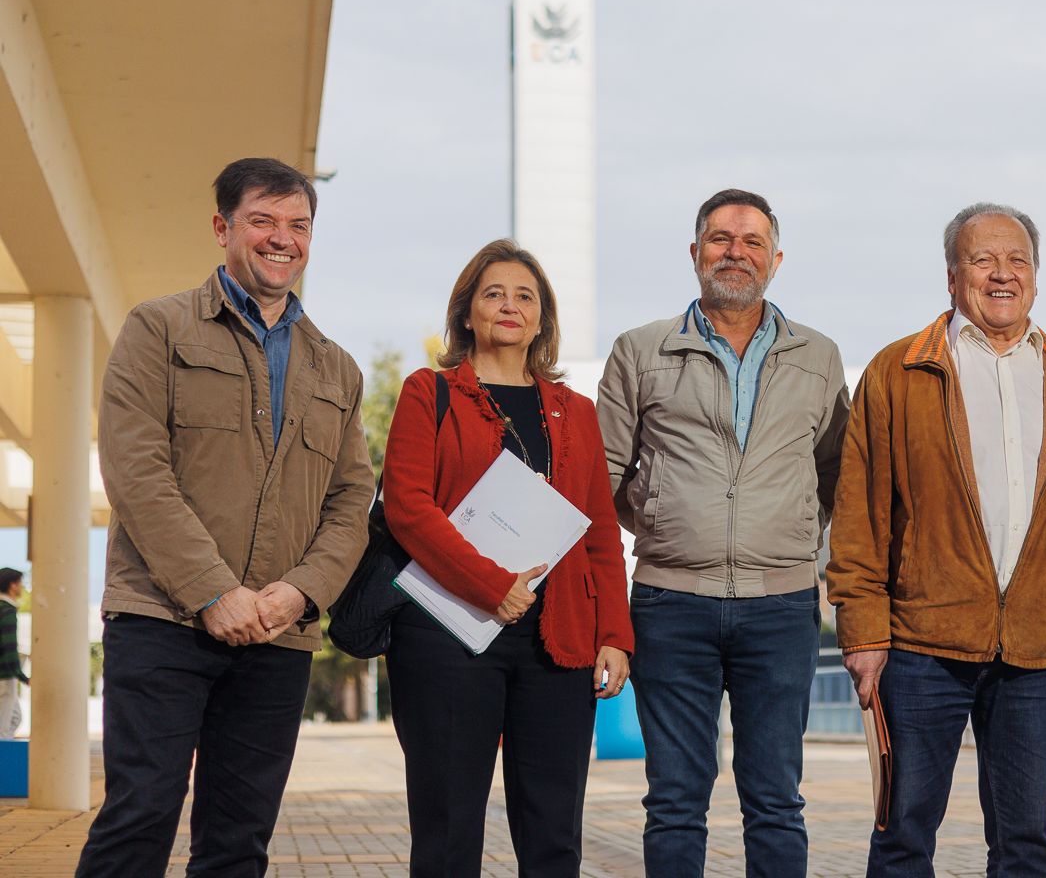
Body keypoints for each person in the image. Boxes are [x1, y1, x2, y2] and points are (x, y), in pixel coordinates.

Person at [76, 158, 375, 878]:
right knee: (140, 815)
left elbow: (351, 501)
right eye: (262, 221)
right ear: (223, 228)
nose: (282, 239)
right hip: (161, 619)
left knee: (239, 840)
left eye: (298, 225)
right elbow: (136, 471)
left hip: (279, 634)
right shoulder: (157, 329)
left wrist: (299, 593)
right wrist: (213, 590)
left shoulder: (336, 369)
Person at [826, 203, 1046, 878]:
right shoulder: (897, 373)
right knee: (901, 837)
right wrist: (863, 634)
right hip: (922, 645)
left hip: (1039, 649)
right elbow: (860, 517)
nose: (1001, 274)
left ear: (1037, 278)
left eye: (1017, 260)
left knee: (1027, 843)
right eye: (982, 259)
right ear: (952, 276)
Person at [596, 188, 849, 878]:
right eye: (720, 239)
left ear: (776, 258)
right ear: (694, 252)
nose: (735, 253)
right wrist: (664, 516)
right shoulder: (640, 351)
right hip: (669, 603)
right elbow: (601, 478)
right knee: (675, 799)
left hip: (783, 606)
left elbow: (834, 477)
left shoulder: (819, 357)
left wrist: (788, 529)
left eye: (752, 242)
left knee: (774, 798)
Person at [380, 239, 633, 878]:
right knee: (447, 831)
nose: (510, 306)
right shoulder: (427, 393)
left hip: (557, 644)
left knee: (554, 837)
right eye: (494, 294)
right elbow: (408, 508)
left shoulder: (575, 411)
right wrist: (491, 584)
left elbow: (599, 531)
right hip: (445, 636)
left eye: (526, 296)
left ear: (542, 318)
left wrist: (615, 635)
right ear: (467, 313)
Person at [0, 568, 27, 739]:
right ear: (12, 585)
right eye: (20, 584)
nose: (22, 588)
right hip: (4, 676)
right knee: (3, 727)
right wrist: (23, 677)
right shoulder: (7, 610)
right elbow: (9, 647)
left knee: (15, 717)